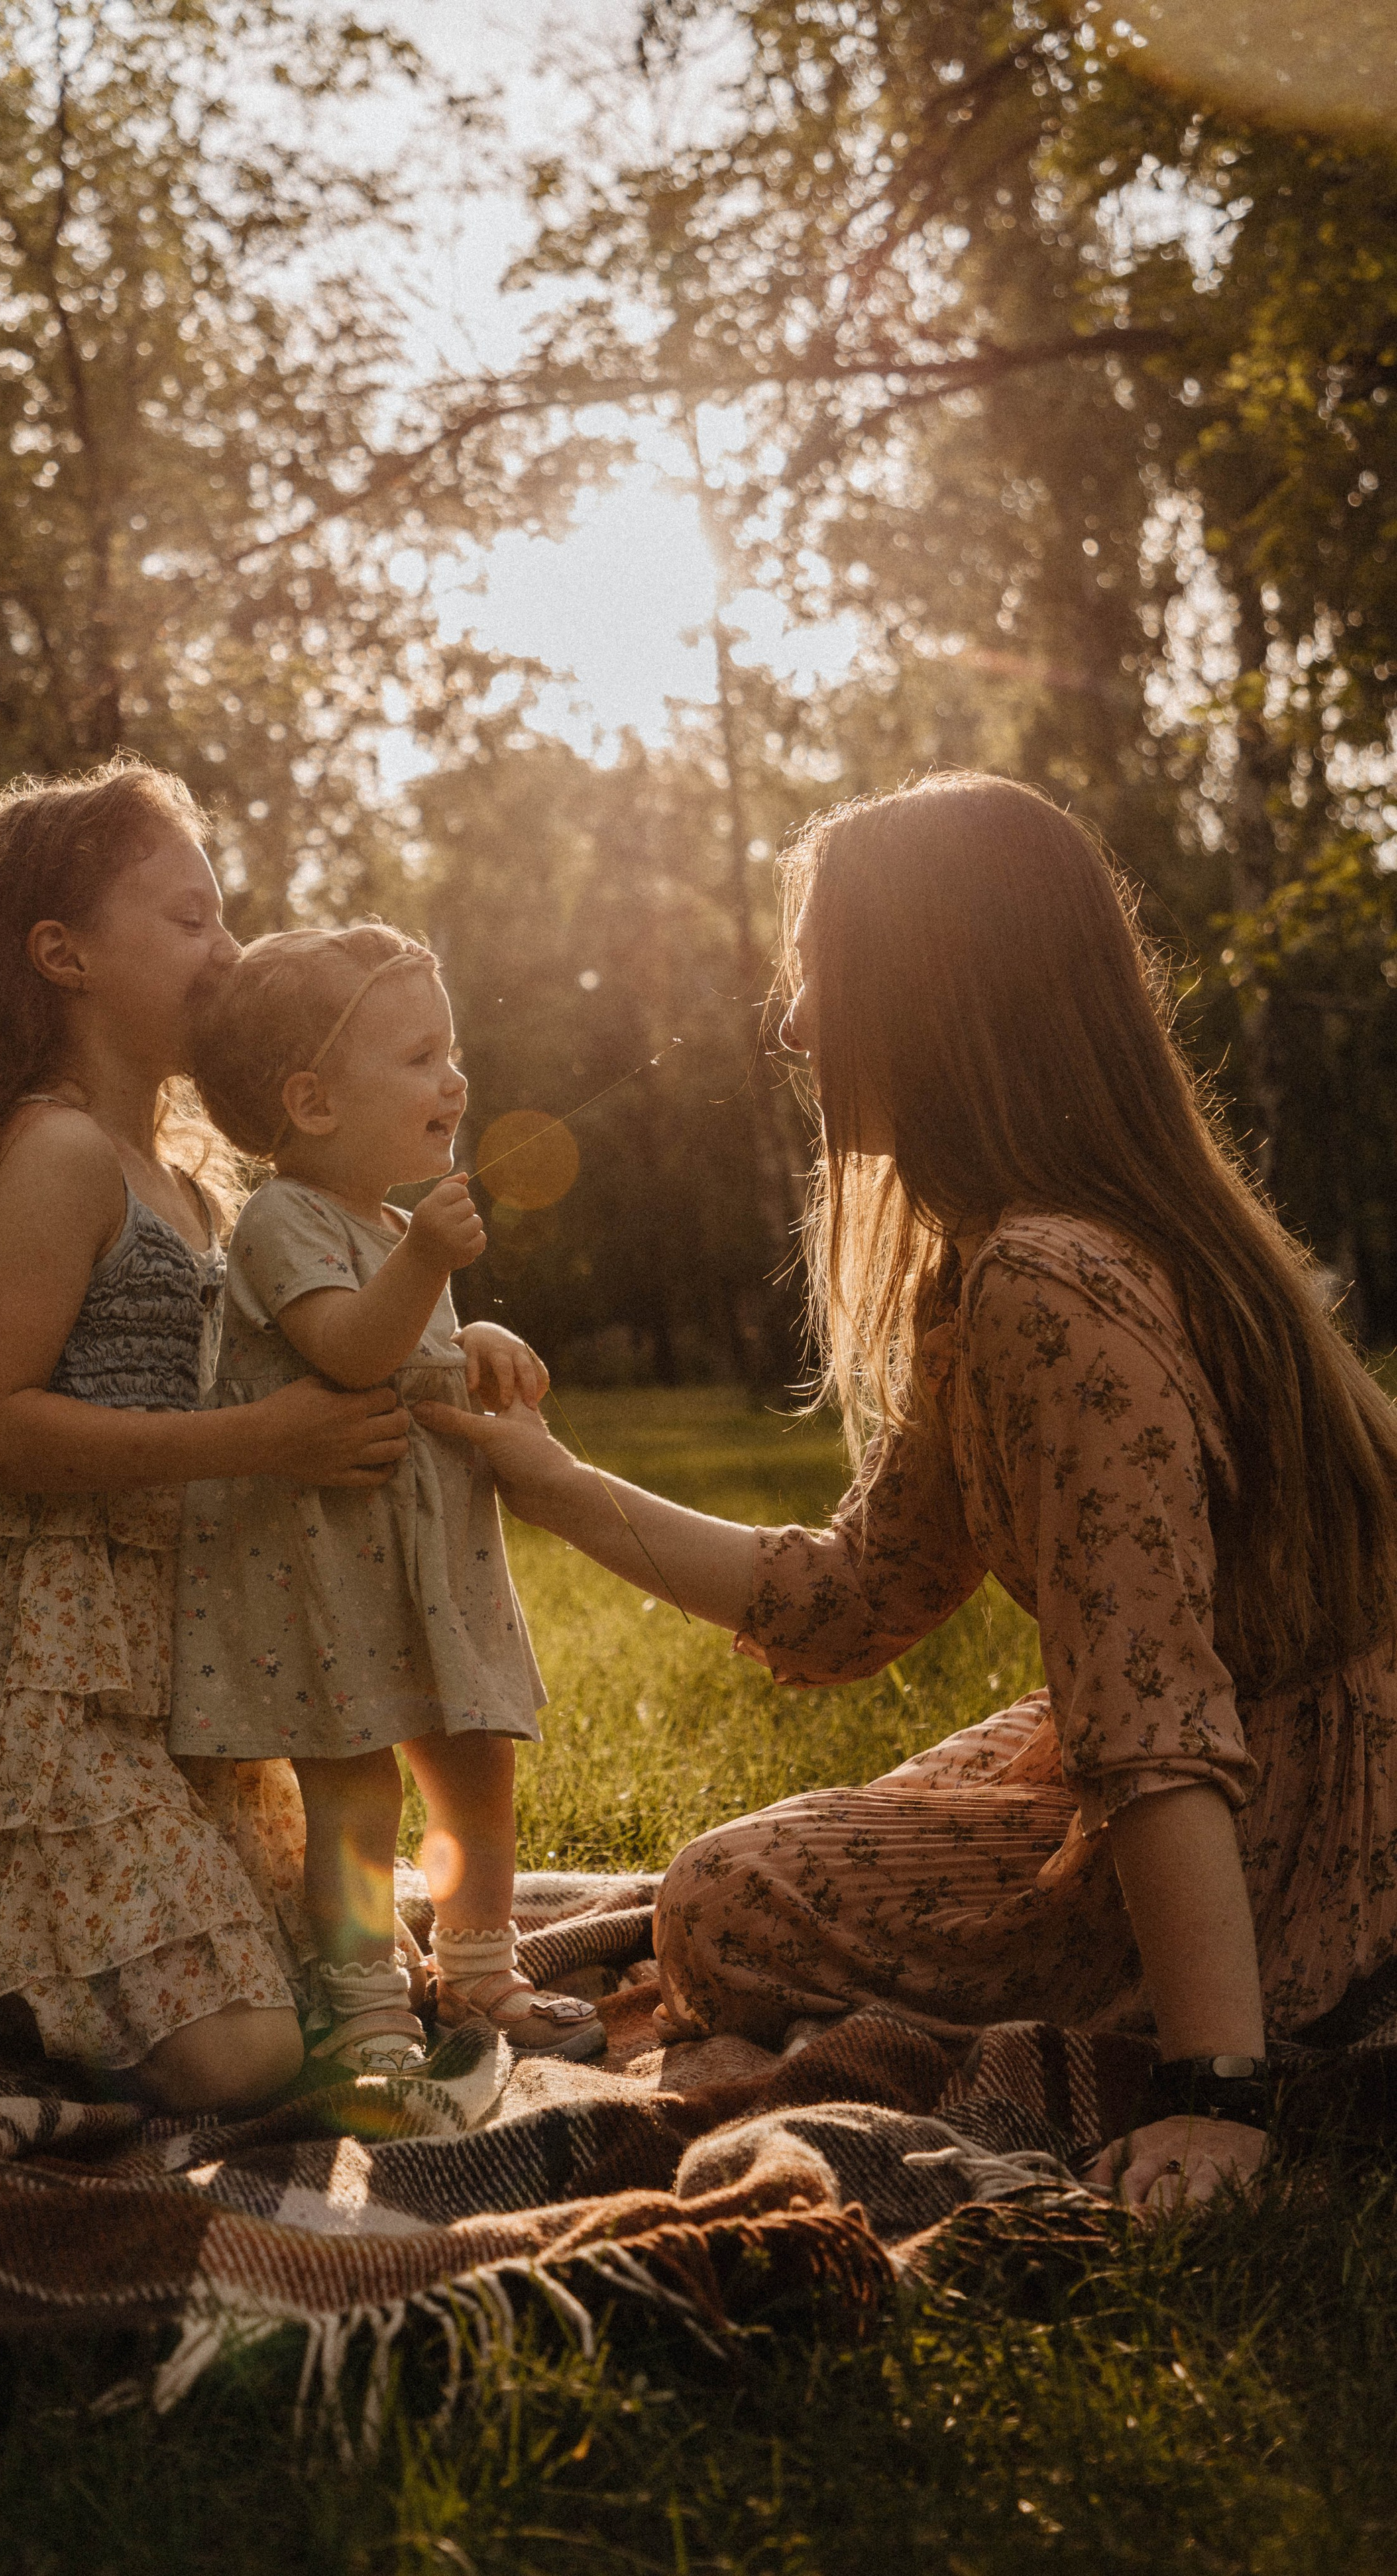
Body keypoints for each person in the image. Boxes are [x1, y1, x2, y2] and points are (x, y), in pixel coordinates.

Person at [420, 771, 1397, 2213]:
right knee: (783, 1862)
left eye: (822, 970)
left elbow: (1151, 1723)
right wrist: (548, 1480)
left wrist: (1213, 2091)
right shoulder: (1028, 1253)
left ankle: (1265, 1999)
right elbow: (847, 1597)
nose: (793, 1024)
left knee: (719, 1904)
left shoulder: (1040, 1287)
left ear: (933, 992)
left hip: (1300, 1814)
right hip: (1262, 1743)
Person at [0, 760, 411, 2113]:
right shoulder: (54, 1154)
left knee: (335, 1984)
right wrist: (262, 1441)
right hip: (44, 1670)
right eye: (188, 920)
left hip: (174, 1666)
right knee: (247, 2057)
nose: (225, 951)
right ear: (64, 954)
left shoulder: (190, 1179)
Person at [170, 924, 605, 2073]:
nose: (453, 1081)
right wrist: (430, 1274)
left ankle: (477, 1968)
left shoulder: (395, 1228)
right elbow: (350, 1351)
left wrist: (487, 1341)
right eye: (418, 1058)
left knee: (474, 1764)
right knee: (355, 1784)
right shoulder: (283, 1221)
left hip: (436, 1564)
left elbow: (417, 1356)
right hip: (334, 1568)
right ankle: (362, 1995)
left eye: (451, 1053)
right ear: (311, 1102)